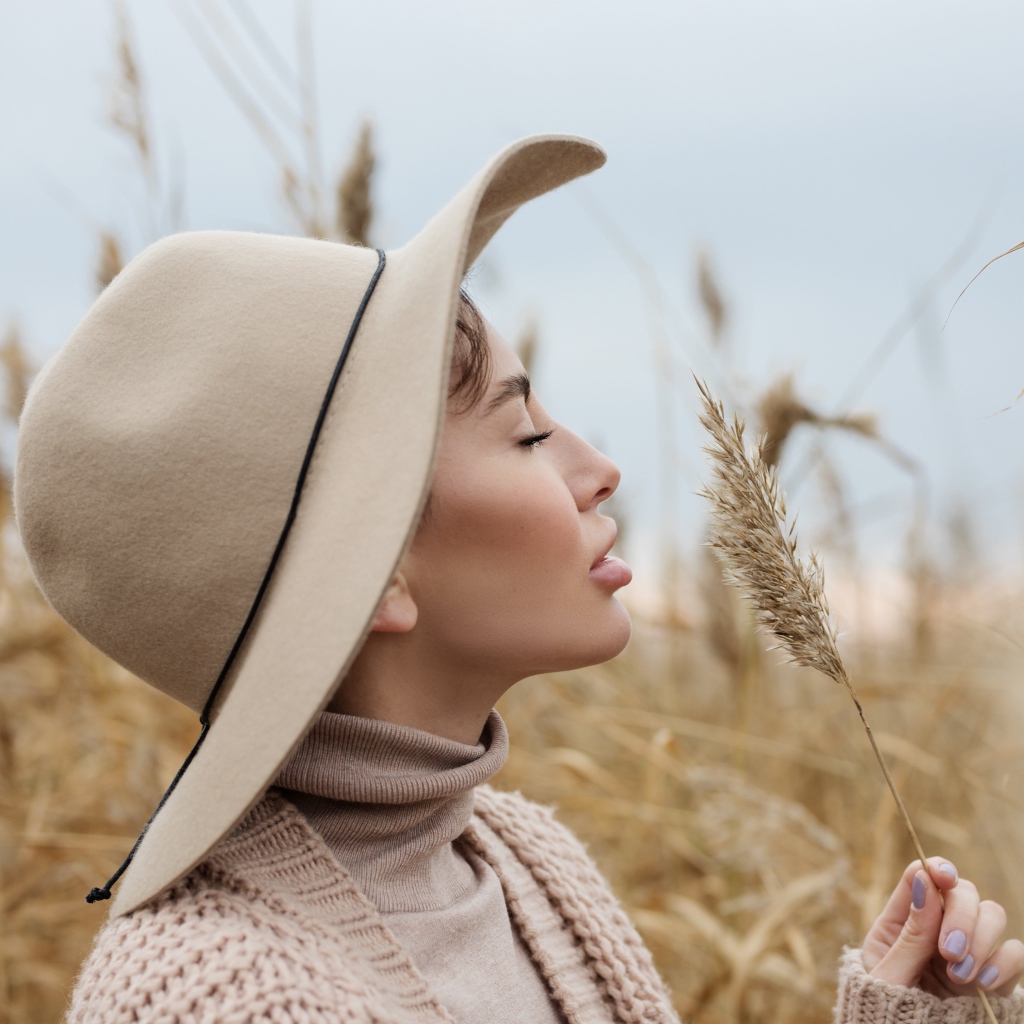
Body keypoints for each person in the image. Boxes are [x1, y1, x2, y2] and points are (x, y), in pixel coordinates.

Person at [14, 135, 1023, 1023]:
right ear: (377, 570)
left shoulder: (519, 857)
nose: (600, 468)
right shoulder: (219, 995)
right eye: (527, 433)